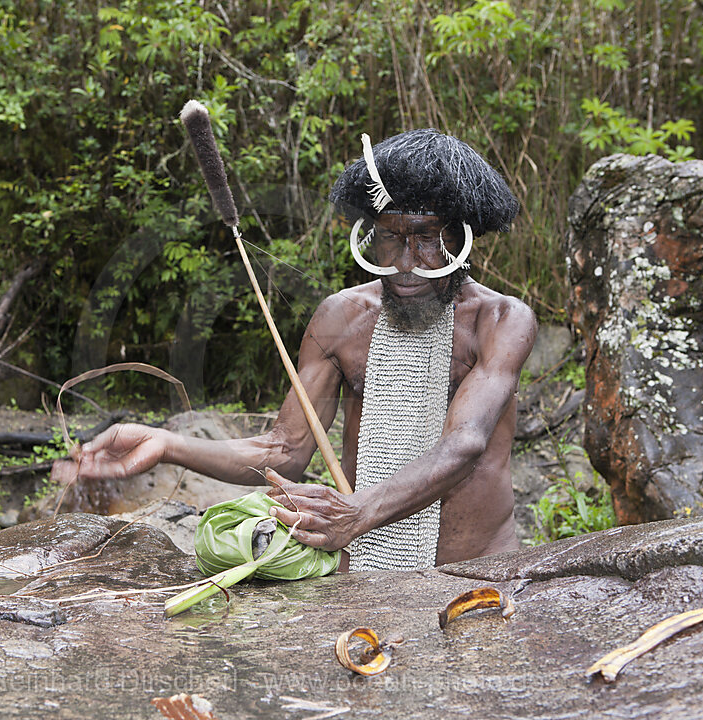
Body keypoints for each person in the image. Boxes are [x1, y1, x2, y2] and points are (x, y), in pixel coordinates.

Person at [66, 128, 536, 571]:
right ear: (371, 236)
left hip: (478, 574)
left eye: (428, 238)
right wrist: (167, 444)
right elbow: (284, 450)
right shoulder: (342, 318)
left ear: (462, 237)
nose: (406, 263)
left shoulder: (500, 321)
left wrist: (358, 511)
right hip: (367, 578)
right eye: (391, 238)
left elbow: (464, 444)